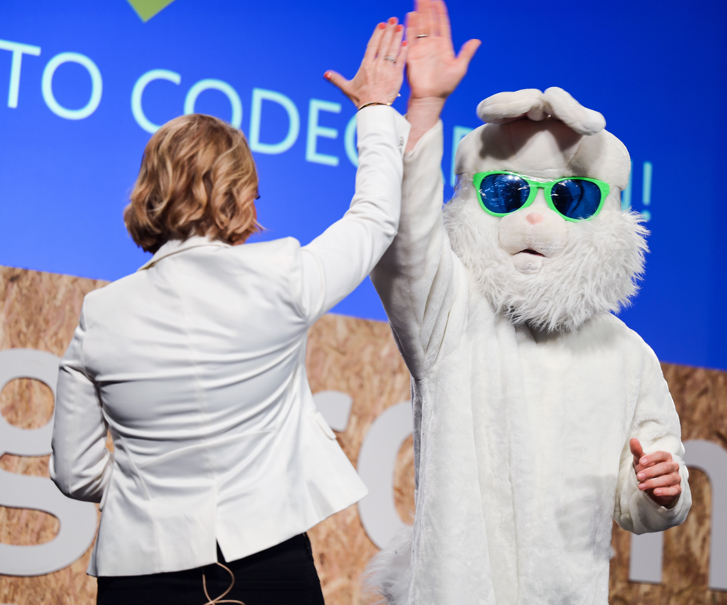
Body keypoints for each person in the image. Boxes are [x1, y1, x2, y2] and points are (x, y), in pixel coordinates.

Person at [50, 17, 409, 605]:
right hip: (270, 570)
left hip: (140, 579)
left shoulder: (101, 313)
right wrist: (374, 109)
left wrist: (152, 499)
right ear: (239, 194)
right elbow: (374, 218)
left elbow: (74, 472)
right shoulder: (283, 275)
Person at [367, 2, 689, 603]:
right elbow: (407, 245)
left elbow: (642, 490)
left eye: (571, 197)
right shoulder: (450, 314)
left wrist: (661, 489)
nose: (536, 216)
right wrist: (426, 108)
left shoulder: (626, 355)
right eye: (506, 192)